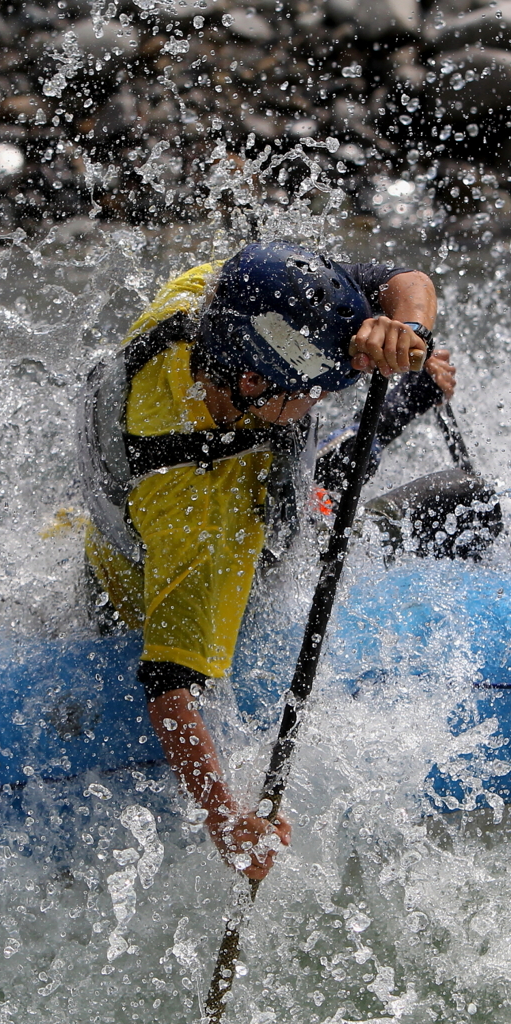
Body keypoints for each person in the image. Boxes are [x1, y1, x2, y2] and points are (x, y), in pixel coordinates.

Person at [78, 241, 456, 882]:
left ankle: (393, 412)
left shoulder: (204, 299)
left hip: (136, 513)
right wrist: (225, 818)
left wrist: (405, 329)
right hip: (139, 586)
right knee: (335, 510)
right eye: (314, 390)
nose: (323, 395)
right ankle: (391, 421)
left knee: (297, 475)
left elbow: (406, 278)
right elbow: (170, 692)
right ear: (255, 382)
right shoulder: (208, 518)